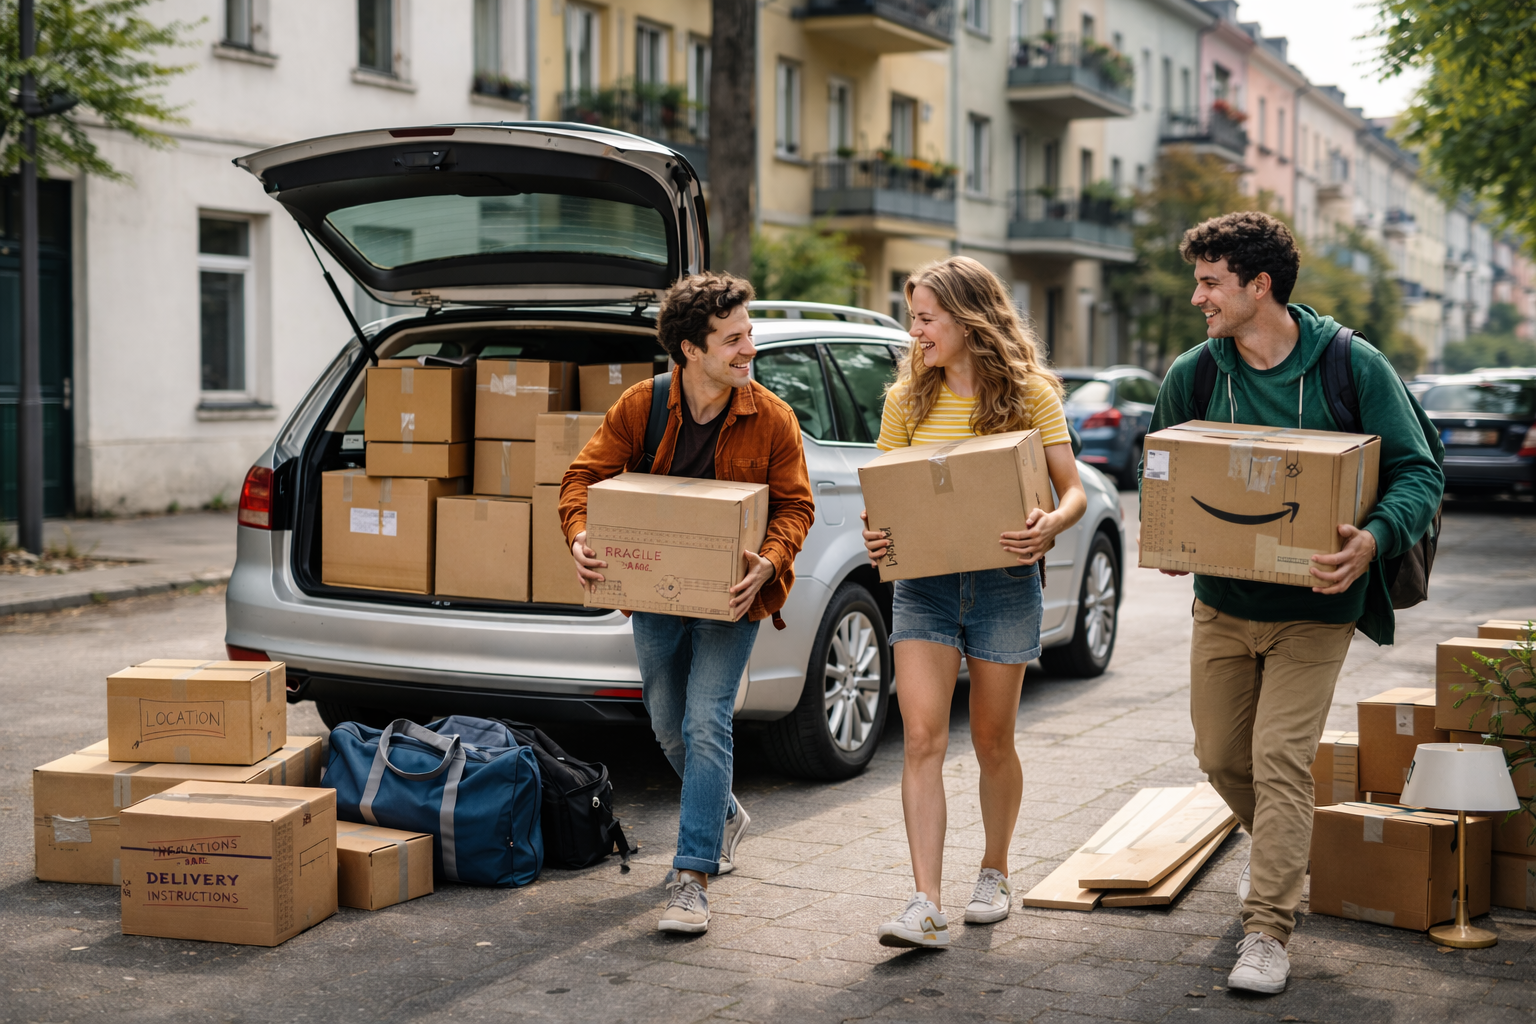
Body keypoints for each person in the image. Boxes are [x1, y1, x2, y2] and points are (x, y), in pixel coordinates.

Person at [1144, 212, 1443, 993]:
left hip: (1317, 606)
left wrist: (1374, 540)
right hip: (1224, 604)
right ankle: (1283, 854)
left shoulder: (1351, 365)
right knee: (1219, 756)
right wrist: (1171, 540)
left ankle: (1268, 929)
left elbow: (1419, 471)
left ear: (1259, 284)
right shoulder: (1197, 373)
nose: (1198, 297)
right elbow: (1166, 470)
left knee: (1279, 759)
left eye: (1210, 282)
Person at [559, 272, 815, 935]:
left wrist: (772, 559)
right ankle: (724, 812)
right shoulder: (642, 406)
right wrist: (581, 533)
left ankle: (692, 874)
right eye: (733, 339)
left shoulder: (773, 418)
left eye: (749, 334)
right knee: (669, 723)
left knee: (707, 721)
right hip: (657, 593)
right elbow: (582, 476)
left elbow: (795, 505)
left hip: (736, 596)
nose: (748, 349)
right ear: (689, 350)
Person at [859, 256, 1087, 947]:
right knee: (923, 739)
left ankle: (994, 869)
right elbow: (886, 490)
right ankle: (925, 900)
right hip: (923, 586)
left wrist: (1052, 523)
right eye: (915, 317)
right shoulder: (907, 399)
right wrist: (878, 534)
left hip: (1003, 582)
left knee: (992, 741)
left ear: (967, 318)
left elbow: (1071, 490)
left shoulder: (1029, 394)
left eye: (927, 317)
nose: (917, 330)